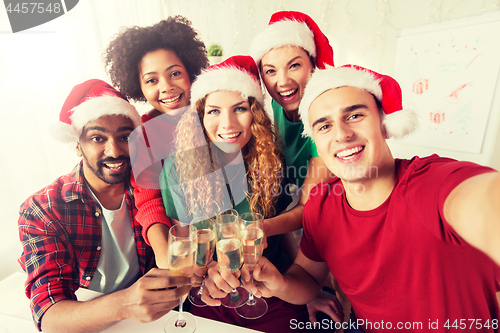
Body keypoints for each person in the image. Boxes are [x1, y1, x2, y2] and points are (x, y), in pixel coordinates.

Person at [243, 65, 500, 333]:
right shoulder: (321, 204)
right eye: (325, 125)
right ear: (316, 141)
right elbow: (307, 277)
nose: (342, 134)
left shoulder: (434, 183)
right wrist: (280, 284)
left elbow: (483, 199)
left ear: (384, 124)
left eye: (354, 115)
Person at [160, 56, 336, 332]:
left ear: (256, 115)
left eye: (239, 108)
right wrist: (202, 275)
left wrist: (304, 288)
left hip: (268, 287)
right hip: (213, 292)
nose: (227, 123)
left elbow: (280, 232)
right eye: (214, 111)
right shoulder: (176, 168)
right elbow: (180, 242)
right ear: (200, 118)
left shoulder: (269, 160)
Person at [18, 79, 191, 333]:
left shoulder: (153, 187)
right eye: (98, 138)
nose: (114, 151)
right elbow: (49, 317)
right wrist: (124, 304)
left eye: (124, 137)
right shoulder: (43, 209)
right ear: (78, 145)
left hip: (158, 319)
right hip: (90, 320)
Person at [249, 10, 347, 324]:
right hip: (289, 238)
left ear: (313, 66)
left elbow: (309, 211)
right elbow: (279, 203)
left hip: (331, 236)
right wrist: (300, 284)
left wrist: (315, 285)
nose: (283, 81)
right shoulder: (269, 115)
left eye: (295, 65)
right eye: (271, 70)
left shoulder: (325, 119)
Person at [103, 16, 209, 268]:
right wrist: (167, 258)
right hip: (187, 250)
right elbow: (149, 202)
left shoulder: (215, 116)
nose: (166, 87)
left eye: (175, 73)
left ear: (191, 72)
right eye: (152, 80)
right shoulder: (144, 135)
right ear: (138, 86)